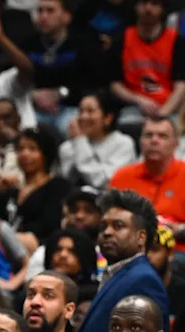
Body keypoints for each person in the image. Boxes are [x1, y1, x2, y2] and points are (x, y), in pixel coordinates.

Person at [78, 189, 169, 332]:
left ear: (141, 237)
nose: (107, 232)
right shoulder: (120, 274)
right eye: (103, 226)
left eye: (118, 226)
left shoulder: (144, 280)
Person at [109, 115, 185, 251]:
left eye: (162, 136)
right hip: (128, 251)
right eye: (148, 135)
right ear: (140, 141)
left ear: (175, 143)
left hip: (177, 251)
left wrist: (179, 229)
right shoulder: (122, 176)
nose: (154, 141)